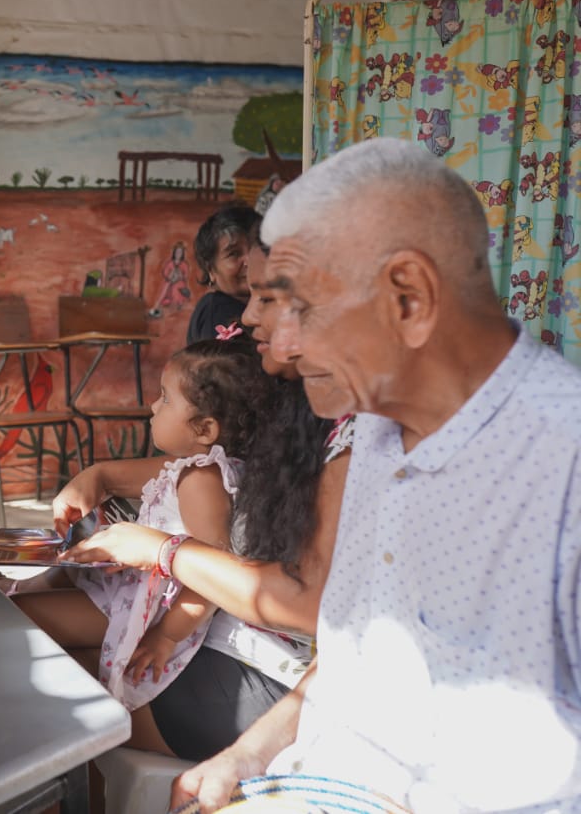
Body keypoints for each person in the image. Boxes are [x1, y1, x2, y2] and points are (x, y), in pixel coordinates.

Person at [163, 136, 581, 811]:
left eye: (298, 305)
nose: (276, 339)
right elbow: (351, 661)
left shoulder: (562, 466)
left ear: (408, 298)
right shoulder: (375, 429)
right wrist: (246, 755)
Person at [55, 224, 352, 762]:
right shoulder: (295, 414)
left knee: (62, 694)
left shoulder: (350, 437)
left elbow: (307, 602)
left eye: (266, 298)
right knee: (46, 655)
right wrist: (100, 474)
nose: (246, 317)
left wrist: (160, 551)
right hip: (253, 647)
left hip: (281, 675)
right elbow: (198, 464)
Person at [14, 336, 278, 751]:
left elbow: (213, 568)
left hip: (145, 611)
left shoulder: (202, 479)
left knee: (17, 624)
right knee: (20, 617)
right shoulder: (192, 470)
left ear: (205, 429)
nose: (153, 407)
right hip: (131, 597)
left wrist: (168, 636)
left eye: (166, 399)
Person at [185, 205, 256, 344]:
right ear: (210, 269)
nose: (249, 261)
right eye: (234, 254)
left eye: (255, 249)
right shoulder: (218, 312)